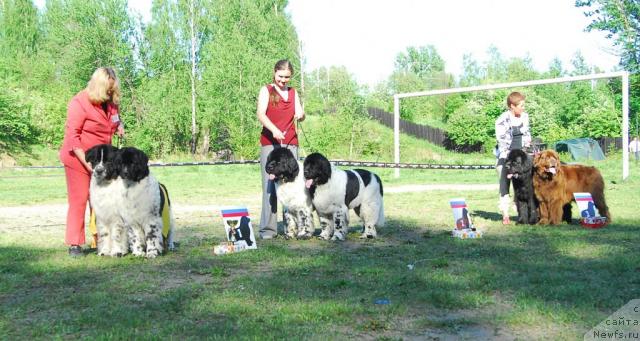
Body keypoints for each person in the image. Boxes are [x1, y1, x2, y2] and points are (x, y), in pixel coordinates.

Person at [59, 67, 125, 257]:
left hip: (102, 159)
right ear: (98, 86)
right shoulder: (79, 102)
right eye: (108, 89)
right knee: (79, 200)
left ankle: (102, 239)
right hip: (77, 158)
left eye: (113, 89)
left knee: (102, 200)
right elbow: (73, 137)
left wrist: (119, 126)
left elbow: (114, 120)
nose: (111, 93)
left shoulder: (111, 103)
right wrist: (87, 165)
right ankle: (75, 244)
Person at [257, 59, 305, 239]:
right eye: (280, 76)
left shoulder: (293, 93)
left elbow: (300, 114)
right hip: (270, 143)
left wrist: (301, 115)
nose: (283, 80)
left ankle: (291, 228)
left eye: (287, 77)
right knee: (270, 186)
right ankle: (268, 230)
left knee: (292, 186)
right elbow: (260, 114)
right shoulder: (266, 90)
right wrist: (274, 130)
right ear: (274, 72)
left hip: (291, 143)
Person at [495, 91, 531, 225]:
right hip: (506, 158)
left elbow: (527, 136)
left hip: (521, 158)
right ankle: (505, 214)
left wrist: (525, 154)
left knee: (521, 187)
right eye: (521, 105)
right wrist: (510, 160)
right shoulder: (502, 119)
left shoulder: (525, 117)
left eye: (523, 105)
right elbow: (502, 141)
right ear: (512, 106)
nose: (523, 107)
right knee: (505, 186)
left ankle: (521, 214)